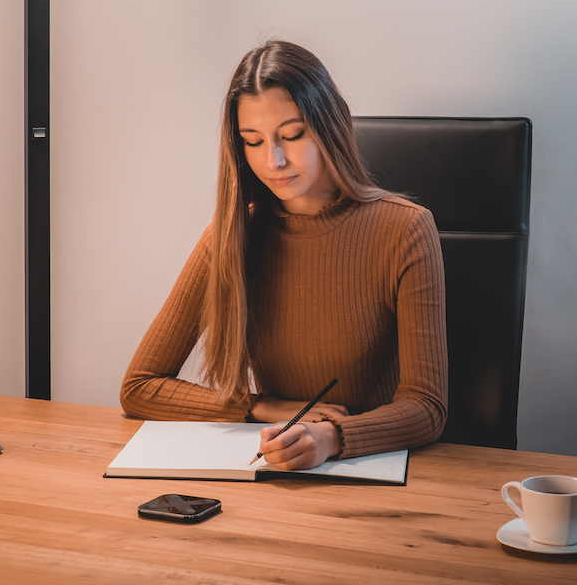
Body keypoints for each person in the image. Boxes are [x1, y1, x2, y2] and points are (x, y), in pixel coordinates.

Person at [120, 40, 448, 470]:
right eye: (253, 142)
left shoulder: (405, 229)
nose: (273, 160)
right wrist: (264, 406)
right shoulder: (230, 234)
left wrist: (332, 437)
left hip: (371, 471)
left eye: (292, 135)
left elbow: (427, 406)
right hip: (276, 467)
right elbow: (140, 386)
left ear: (328, 127)